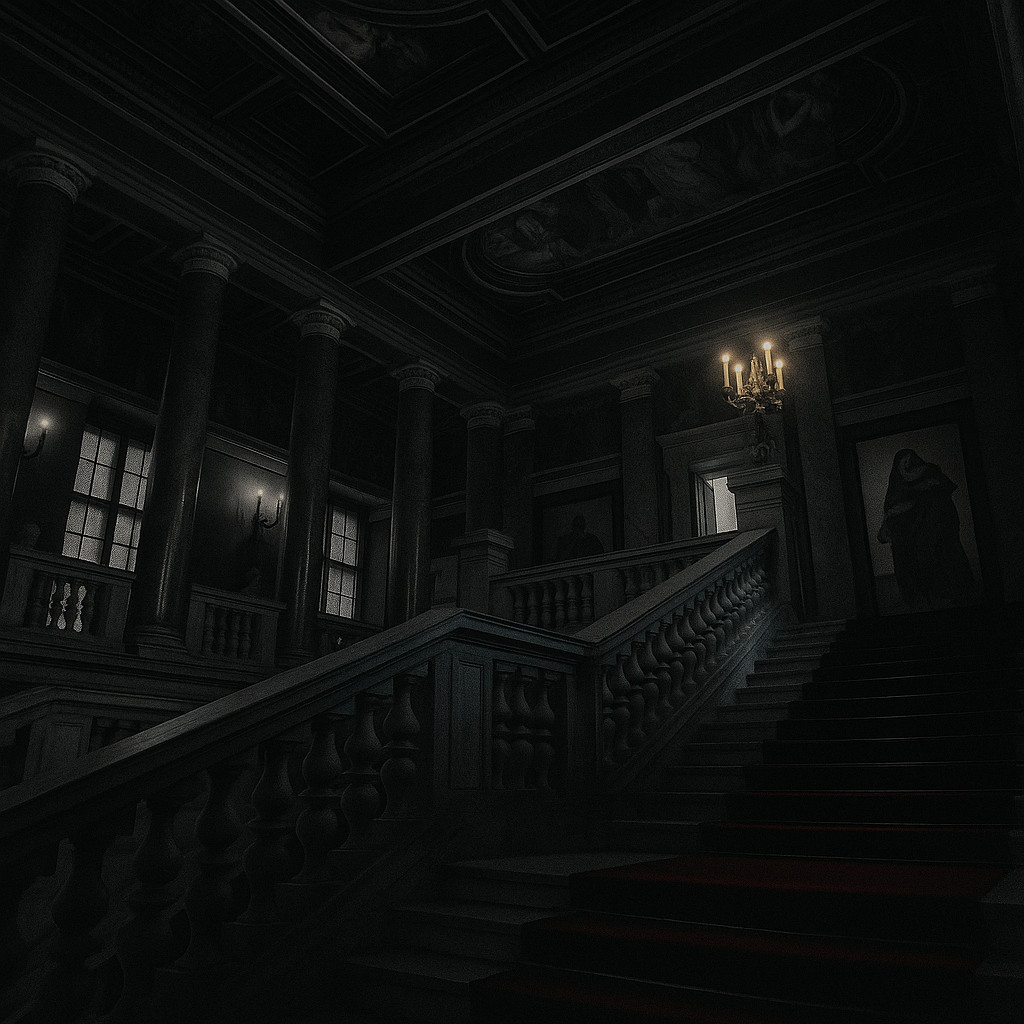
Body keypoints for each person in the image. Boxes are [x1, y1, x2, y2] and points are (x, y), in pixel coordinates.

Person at [876, 448, 974, 610]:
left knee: (944, 555)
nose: (907, 465)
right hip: (911, 531)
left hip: (935, 525)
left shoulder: (929, 472)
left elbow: (941, 491)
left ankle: (954, 591)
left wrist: (924, 492)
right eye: (903, 462)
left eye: (909, 460)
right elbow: (893, 506)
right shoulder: (898, 481)